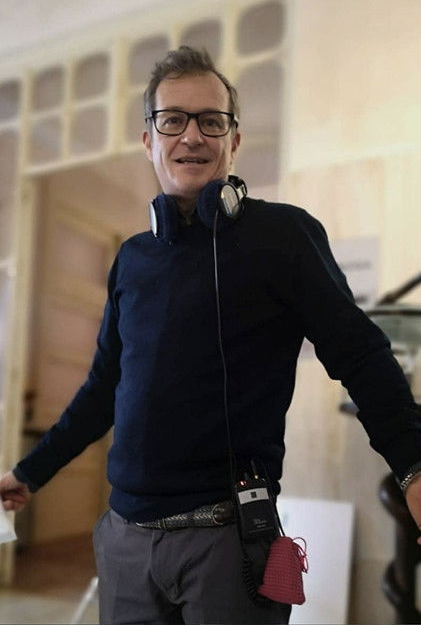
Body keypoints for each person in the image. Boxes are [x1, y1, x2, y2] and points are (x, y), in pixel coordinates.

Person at [1, 46, 421, 625]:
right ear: (148, 140)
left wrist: (413, 465)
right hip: (125, 544)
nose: (192, 135)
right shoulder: (132, 261)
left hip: (230, 542)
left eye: (211, 121)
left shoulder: (285, 236)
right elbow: (103, 388)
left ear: (234, 140)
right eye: (172, 120)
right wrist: (30, 473)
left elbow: (361, 354)